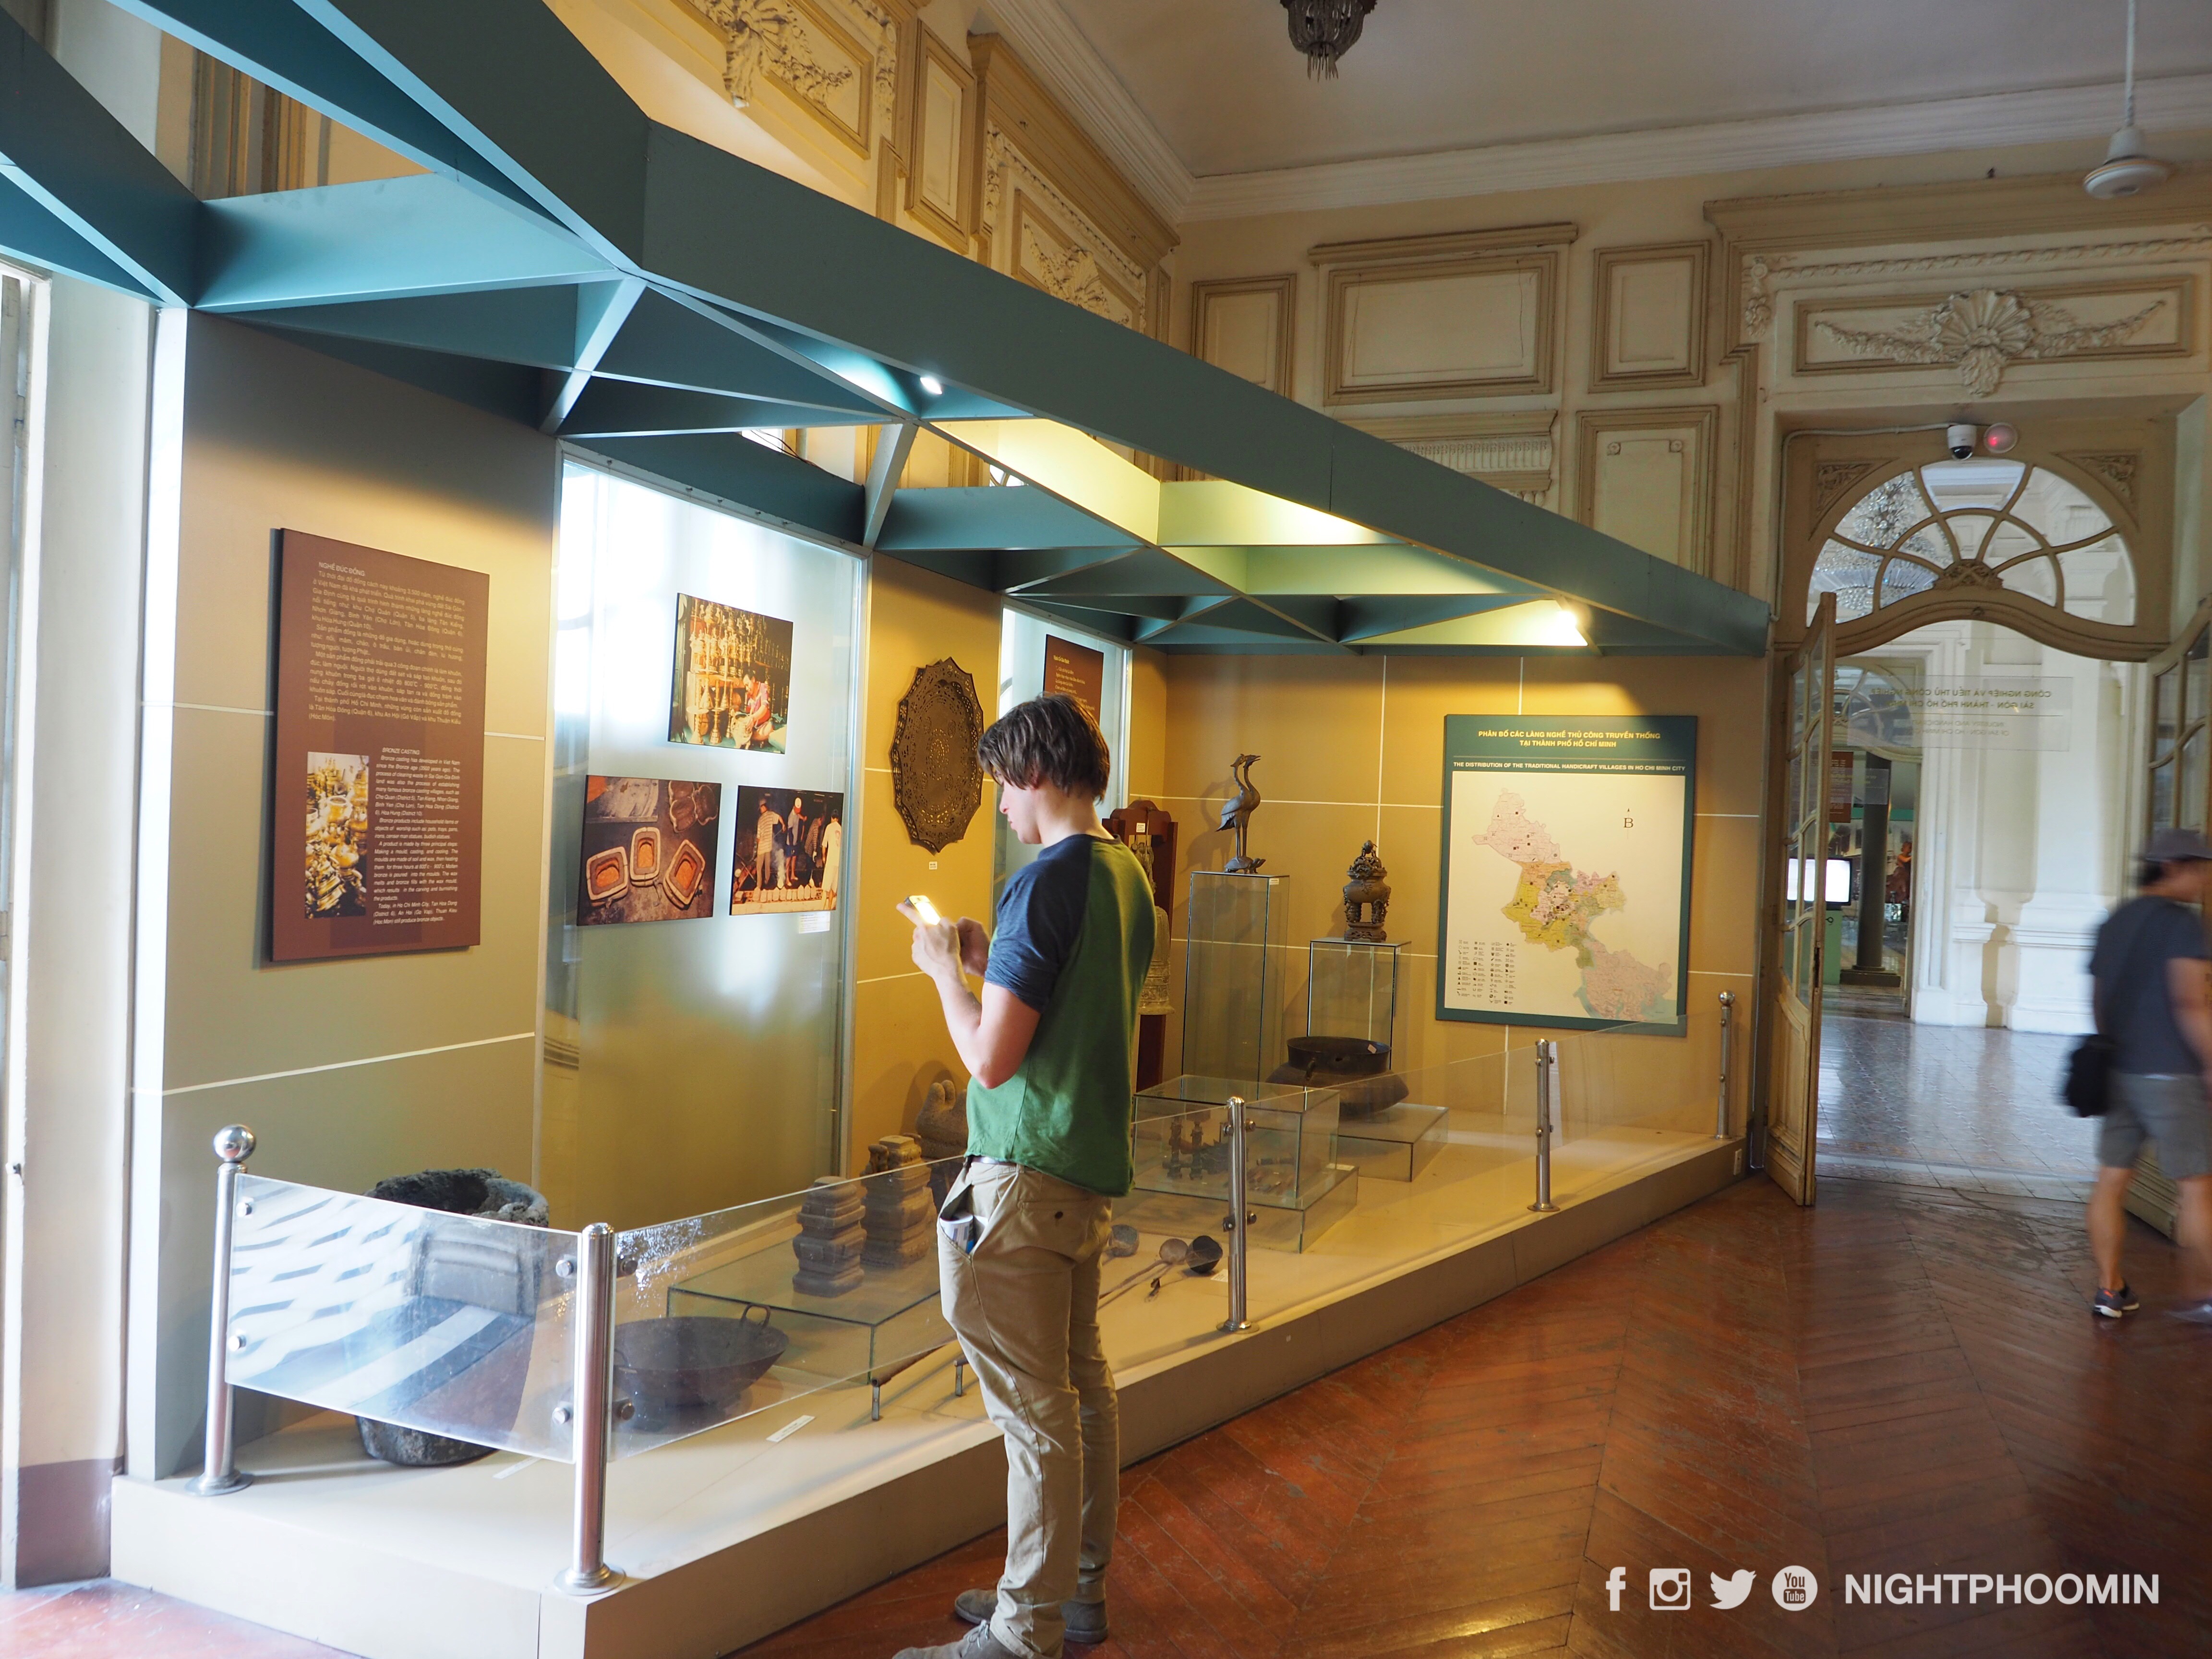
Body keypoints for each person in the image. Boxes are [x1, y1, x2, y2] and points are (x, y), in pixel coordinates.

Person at [895, 695, 1153, 1659]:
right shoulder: (1126, 874)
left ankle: (1022, 1632)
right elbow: (1069, 996)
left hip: (1021, 1178)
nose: (1001, 805)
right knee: (1081, 1388)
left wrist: (943, 972)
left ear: (1034, 773)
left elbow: (989, 1060)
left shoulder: (1041, 883)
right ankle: (1073, 1593)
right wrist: (988, 956)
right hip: (1081, 1174)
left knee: (1037, 1415)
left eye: (1003, 785)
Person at [2087, 827, 2212, 1322]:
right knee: (2196, 1187)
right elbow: (2190, 1002)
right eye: (2200, 871)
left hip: (2120, 1070)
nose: (2204, 882)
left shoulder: (2114, 921)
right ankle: (2205, 1293)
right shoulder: (2182, 924)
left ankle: (2110, 1289)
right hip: (2171, 1074)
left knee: (2110, 1183)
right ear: (2172, 868)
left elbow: (2098, 1003)